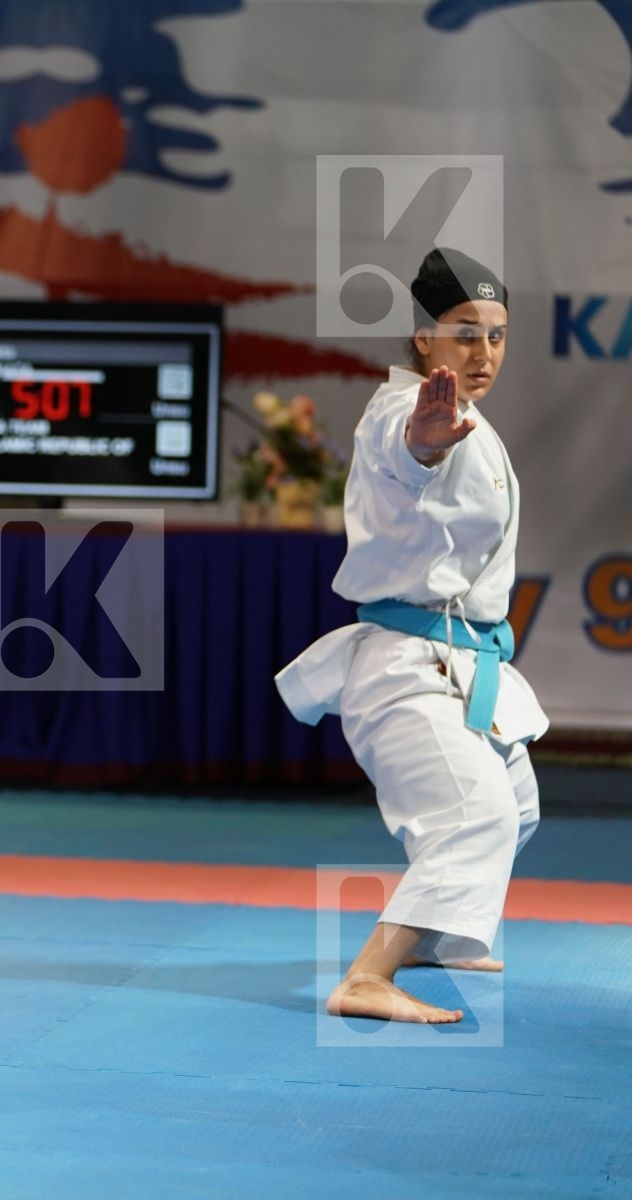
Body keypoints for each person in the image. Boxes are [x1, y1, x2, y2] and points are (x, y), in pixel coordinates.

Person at [277, 246, 545, 1023]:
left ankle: (427, 934)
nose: (483, 351)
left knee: (518, 810)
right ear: (424, 338)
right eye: (465, 332)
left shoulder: (474, 419)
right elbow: (409, 454)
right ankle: (366, 977)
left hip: (462, 664)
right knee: (477, 817)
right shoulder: (405, 410)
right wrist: (424, 442)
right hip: (408, 667)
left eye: (496, 334)